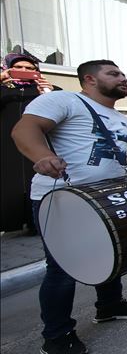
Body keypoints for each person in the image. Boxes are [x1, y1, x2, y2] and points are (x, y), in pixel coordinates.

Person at [11, 60, 127, 354]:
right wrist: (43, 157)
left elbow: (123, 157)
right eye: (113, 74)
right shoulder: (63, 100)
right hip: (62, 198)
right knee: (62, 270)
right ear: (89, 79)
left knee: (112, 252)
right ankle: (56, 335)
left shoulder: (119, 118)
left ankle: (109, 306)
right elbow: (25, 129)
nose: (123, 78)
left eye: (123, 73)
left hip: (105, 197)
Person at [2, 51, 57, 234]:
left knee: (36, 177)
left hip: (37, 143)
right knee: (9, 182)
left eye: (29, 68)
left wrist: (51, 93)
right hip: (6, 144)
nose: (23, 70)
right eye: (18, 67)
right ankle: (12, 222)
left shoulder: (44, 89)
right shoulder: (3, 88)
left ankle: (36, 222)